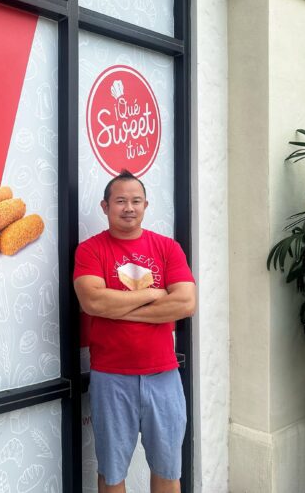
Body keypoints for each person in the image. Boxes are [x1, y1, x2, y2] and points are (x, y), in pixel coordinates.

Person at [73, 170, 196, 493]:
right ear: (105, 206)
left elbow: (185, 303)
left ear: (145, 205)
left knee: (168, 468)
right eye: (121, 201)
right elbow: (92, 301)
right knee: (112, 472)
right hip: (111, 376)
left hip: (164, 375)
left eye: (136, 200)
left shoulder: (167, 247)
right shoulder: (90, 250)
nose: (129, 207)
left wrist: (120, 309)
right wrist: (152, 295)